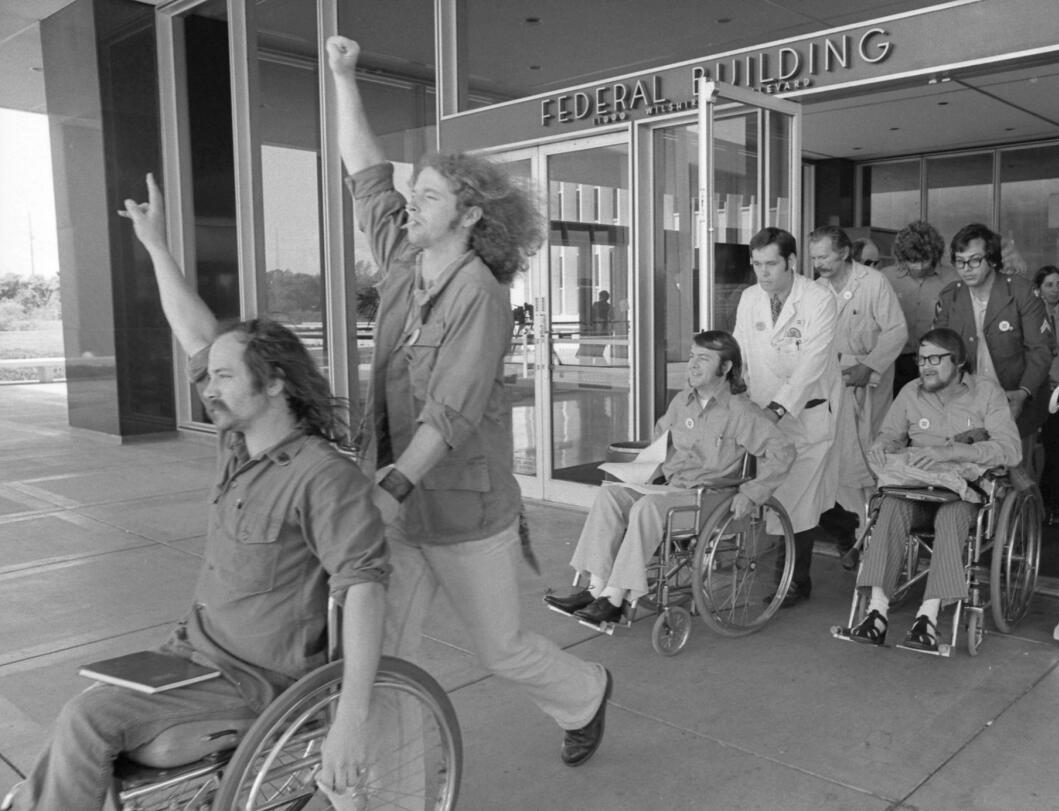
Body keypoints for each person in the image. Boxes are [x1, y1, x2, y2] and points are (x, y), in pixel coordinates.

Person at [2, 174, 391, 811]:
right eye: (208, 376)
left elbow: (365, 588)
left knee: (85, 720)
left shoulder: (323, 476)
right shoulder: (238, 444)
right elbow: (195, 332)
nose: (208, 388)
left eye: (224, 377)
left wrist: (351, 720)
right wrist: (155, 246)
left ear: (274, 386)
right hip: (191, 655)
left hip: (253, 681)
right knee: (82, 725)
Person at [326, 35, 612, 769]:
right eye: (413, 193)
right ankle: (388, 791)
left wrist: (388, 488)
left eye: (427, 196)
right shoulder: (403, 254)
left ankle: (584, 690)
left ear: (470, 215)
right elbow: (364, 171)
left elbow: (448, 415)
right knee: (385, 652)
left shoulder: (479, 296)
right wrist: (343, 76)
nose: (410, 205)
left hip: (457, 507)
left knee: (500, 647)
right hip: (393, 495)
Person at [544, 330, 795, 623]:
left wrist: (753, 493)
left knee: (647, 508)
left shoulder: (741, 412)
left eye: (703, 359)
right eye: (691, 357)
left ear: (725, 368)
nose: (693, 365)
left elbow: (783, 452)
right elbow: (659, 442)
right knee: (610, 494)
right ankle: (595, 587)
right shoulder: (681, 403)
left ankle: (614, 598)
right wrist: (645, 468)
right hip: (673, 490)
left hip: (709, 499)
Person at [846, 328, 1021, 651]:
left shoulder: (986, 393)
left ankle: (927, 617)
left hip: (962, 493)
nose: (925, 366)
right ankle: (877, 612)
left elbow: (1010, 450)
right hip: (916, 488)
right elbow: (890, 435)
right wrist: (883, 447)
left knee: (951, 517)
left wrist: (953, 451)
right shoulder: (911, 393)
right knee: (890, 509)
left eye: (935, 359)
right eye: (921, 359)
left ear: (959, 362)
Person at [733, 226, 842, 606]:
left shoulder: (818, 299)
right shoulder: (750, 298)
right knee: (794, 494)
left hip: (805, 413)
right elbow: (742, 349)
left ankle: (792, 583)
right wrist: (733, 386)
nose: (763, 273)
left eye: (771, 264)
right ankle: (846, 528)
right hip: (764, 415)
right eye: (757, 264)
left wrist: (779, 407)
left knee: (795, 497)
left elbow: (814, 361)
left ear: (792, 262)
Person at [811, 226, 907, 563]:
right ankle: (852, 532)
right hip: (834, 385)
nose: (818, 263)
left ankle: (878, 538)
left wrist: (869, 366)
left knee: (871, 457)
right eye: (814, 257)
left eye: (823, 256)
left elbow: (897, 331)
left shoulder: (872, 283)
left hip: (870, 384)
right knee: (839, 461)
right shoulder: (817, 290)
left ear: (843, 253)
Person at [933, 222, 1052, 474]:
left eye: (975, 260)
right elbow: (938, 352)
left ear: (993, 260)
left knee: (1017, 473)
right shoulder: (950, 296)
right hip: (968, 402)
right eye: (960, 261)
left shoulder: (1022, 292)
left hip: (1017, 397)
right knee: (970, 474)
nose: (966, 269)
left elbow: (1040, 351)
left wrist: (1022, 392)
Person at [881, 221, 959, 395]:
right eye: (913, 261)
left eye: (925, 260)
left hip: (937, 360)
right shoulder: (885, 278)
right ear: (902, 257)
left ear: (936, 255)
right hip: (894, 362)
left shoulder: (953, 279)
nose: (920, 267)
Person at [1034, 265, 1059, 526]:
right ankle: (1036, 500)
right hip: (1033, 383)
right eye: (1049, 284)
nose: (1056, 289)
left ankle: (1056, 503)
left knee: (1054, 443)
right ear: (1038, 288)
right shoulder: (1032, 311)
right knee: (1029, 445)